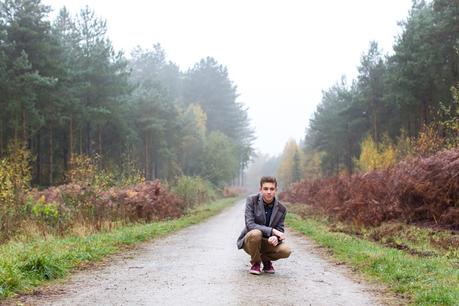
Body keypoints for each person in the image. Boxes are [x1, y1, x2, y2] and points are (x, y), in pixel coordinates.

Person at [236, 176, 291, 275]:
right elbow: (250, 225)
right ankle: (256, 263)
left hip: (267, 243)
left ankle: (266, 260)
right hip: (250, 241)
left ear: (276, 190)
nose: (269, 192)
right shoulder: (251, 200)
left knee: (286, 251)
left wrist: (275, 238)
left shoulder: (282, 209)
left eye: (272, 189)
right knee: (256, 233)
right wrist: (272, 231)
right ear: (260, 189)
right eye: (265, 189)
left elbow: (280, 230)